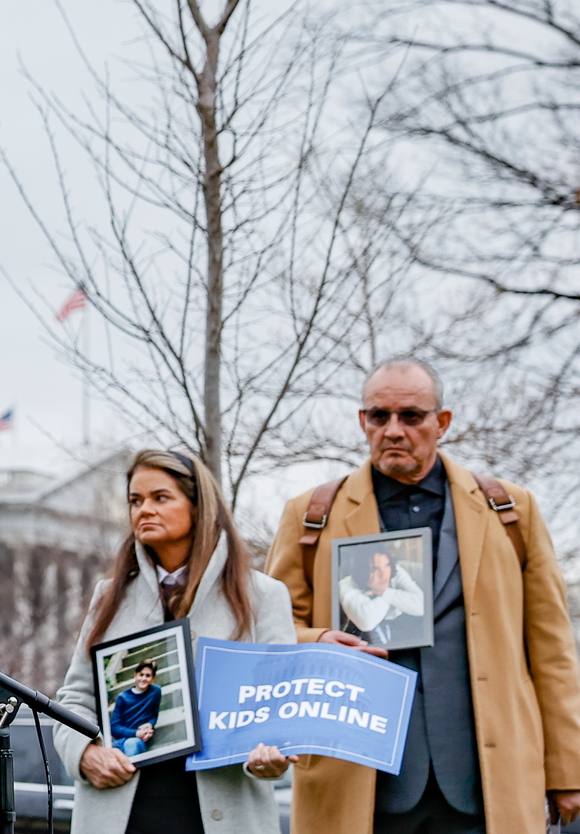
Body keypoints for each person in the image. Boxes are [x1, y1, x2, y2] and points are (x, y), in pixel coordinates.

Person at [265, 357, 580, 833]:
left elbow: (552, 651)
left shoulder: (512, 511)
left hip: (487, 789)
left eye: (411, 416)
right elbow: (269, 634)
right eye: (379, 416)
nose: (393, 430)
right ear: (362, 422)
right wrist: (319, 639)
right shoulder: (311, 516)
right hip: (359, 788)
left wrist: (567, 770)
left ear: (442, 423)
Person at [53, 450, 296, 834]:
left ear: (199, 507)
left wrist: (270, 756)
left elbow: (278, 708)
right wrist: (85, 753)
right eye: (135, 500)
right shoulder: (108, 596)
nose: (143, 510)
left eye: (160, 497)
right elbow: (75, 699)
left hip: (222, 815)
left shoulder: (263, 596)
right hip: (120, 814)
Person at [337, 546, 425, 648]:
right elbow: (366, 623)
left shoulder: (395, 571)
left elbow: (423, 606)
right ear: (363, 571)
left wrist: (384, 592)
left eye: (387, 565)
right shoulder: (345, 585)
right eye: (374, 568)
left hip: (403, 630)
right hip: (364, 642)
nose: (383, 573)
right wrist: (392, 596)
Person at [108, 662, 162, 758]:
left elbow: (154, 714)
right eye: (141, 675)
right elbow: (114, 727)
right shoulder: (123, 697)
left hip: (137, 742)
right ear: (135, 675)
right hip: (122, 740)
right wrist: (136, 733)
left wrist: (150, 724)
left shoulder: (155, 692)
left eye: (148, 676)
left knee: (131, 745)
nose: (144, 679)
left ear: (153, 678)